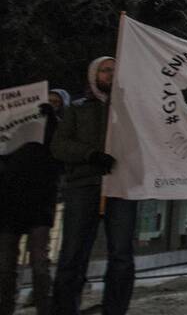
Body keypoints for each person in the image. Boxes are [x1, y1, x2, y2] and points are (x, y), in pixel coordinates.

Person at [49, 57, 138, 315]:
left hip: (122, 187)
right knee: (73, 253)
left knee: (121, 255)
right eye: (105, 70)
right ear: (94, 75)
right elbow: (59, 145)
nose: (110, 74)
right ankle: (65, 309)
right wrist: (90, 154)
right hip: (84, 186)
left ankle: (115, 309)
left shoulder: (130, 108)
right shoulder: (78, 109)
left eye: (114, 70)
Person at [0, 88, 68, 315]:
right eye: (47, 101)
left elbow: (60, 156)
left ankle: (44, 308)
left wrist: (51, 122)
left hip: (40, 202)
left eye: (56, 103)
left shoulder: (58, 130)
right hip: (10, 202)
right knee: (6, 264)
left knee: (39, 262)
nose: (50, 105)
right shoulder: (15, 132)